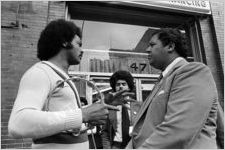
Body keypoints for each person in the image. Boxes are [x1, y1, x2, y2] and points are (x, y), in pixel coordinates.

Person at [8, 19, 119, 149]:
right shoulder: (39, 72)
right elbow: (19, 124)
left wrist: (98, 107)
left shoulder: (59, 75)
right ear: (64, 42)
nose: (82, 50)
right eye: (79, 44)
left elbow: (67, 117)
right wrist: (82, 115)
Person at [123, 28, 223, 148]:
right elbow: (139, 131)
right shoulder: (163, 80)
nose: (147, 49)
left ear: (170, 46)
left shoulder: (193, 72)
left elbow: (179, 129)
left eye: (152, 45)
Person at [101, 70, 141, 149]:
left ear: (129, 86)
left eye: (124, 84)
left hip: (134, 146)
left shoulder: (139, 105)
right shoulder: (110, 107)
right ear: (114, 88)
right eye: (118, 84)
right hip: (116, 146)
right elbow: (105, 132)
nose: (121, 86)